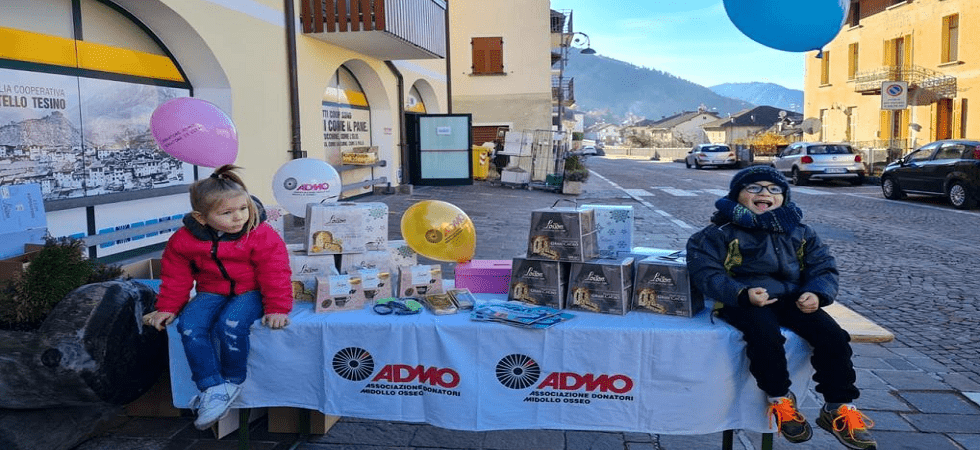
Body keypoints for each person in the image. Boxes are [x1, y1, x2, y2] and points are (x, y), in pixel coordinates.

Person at [686, 166, 876, 450]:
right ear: (737, 194)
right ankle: (780, 399)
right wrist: (741, 293)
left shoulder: (800, 231)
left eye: (774, 189)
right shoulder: (719, 232)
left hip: (792, 297)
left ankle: (839, 406)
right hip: (742, 299)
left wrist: (816, 293)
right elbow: (705, 271)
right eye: (754, 188)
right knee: (765, 335)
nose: (765, 194)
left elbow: (823, 266)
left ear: (784, 197)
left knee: (833, 336)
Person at [143, 164, 292, 430]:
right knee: (189, 326)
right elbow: (175, 276)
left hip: (250, 291)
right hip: (210, 291)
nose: (239, 217)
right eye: (227, 213)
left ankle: (233, 381)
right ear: (201, 218)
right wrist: (167, 307)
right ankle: (212, 387)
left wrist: (277, 307)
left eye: (243, 208)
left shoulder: (259, 232)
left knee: (230, 324)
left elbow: (275, 271)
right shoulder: (183, 240)